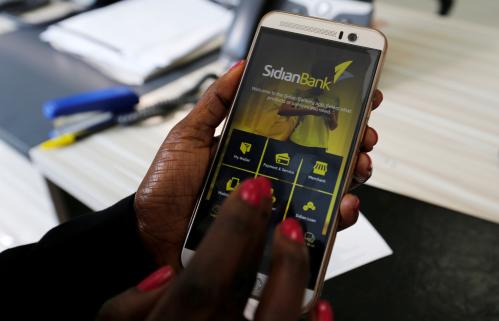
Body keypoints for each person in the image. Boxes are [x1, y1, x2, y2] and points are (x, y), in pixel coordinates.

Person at [0, 61, 382, 321]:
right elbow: (285, 111)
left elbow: (334, 123)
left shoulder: (329, 97)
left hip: (316, 155)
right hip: (285, 145)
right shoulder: (304, 93)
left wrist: (138, 233)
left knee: (299, 207)